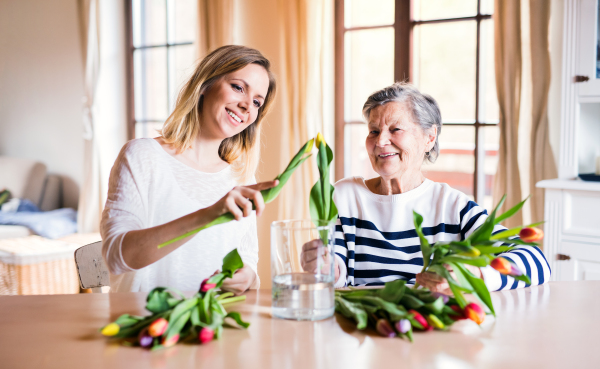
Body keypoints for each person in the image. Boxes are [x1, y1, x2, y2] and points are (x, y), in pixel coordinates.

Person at [301, 82, 551, 293]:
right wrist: (325, 267)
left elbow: (536, 261)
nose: (381, 141)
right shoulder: (344, 196)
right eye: (374, 131)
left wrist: (475, 274)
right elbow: (337, 271)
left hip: (427, 331)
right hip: (361, 331)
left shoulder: (451, 206)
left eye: (395, 129)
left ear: (429, 138)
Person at [101, 45, 278, 294]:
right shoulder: (143, 157)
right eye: (238, 88)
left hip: (214, 326)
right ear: (205, 85)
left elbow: (247, 260)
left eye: (257, 102)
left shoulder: (241, 177)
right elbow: (116, 256)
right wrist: (208, 215)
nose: (247, 106)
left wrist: (247, 277)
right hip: (148, 326)